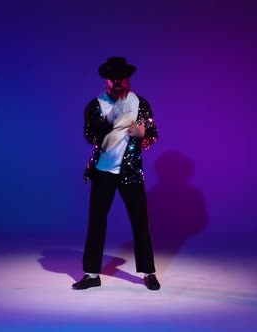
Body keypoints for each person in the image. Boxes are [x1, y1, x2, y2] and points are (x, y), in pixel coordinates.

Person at [72, 57, 160, 291]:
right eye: (113, 79)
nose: (118, 82)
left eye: (121, 78)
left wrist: (142, 133)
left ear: (127, 79)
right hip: (103, 171)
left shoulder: (140, 104)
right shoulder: (96, 105)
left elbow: (153, 134)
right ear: (107, 81)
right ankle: (92, 274)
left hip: (130, 171)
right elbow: (90, 135)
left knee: (140, 221)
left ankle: (148, 272)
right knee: (97, 221)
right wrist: (110, 121)